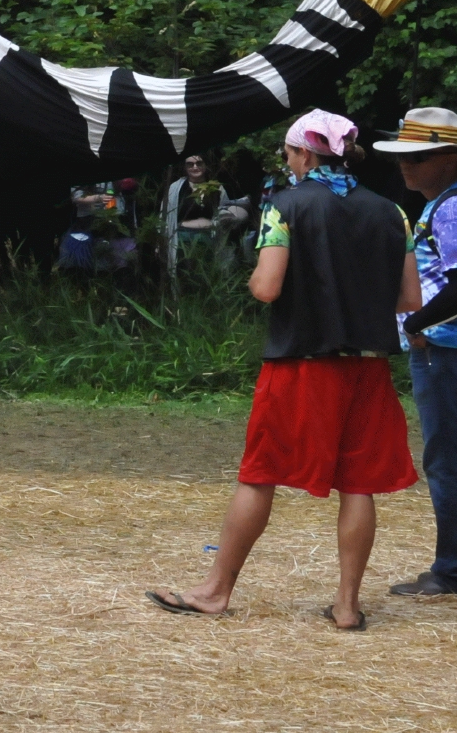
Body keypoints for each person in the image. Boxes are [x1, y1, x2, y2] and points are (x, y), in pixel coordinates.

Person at [146, 111, 421, 628]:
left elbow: (268, 287)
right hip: (368, 370)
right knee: (357, 483)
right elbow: (410, 299)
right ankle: (346, 605)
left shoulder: (285, 206)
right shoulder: (392, 214)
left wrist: (256, 276)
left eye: (290, 154)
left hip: (301, 366)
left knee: (259, 474)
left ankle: (214, 591)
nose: (288, 164)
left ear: (307, 154)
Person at [373, 108, 457, 598]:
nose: (408, 166)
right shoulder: (454, 204)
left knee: (449, 461)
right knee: (455, 458)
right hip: (453, 347)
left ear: (450, 158)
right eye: (405, 156)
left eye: (420, 156)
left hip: (449, 349)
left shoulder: (454, 209)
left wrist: (418, 323)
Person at [163, 154, 250, 272]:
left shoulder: (216, 188)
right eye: (190, 164)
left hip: (210, 240)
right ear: (185, 167)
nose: (195, 167)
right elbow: (165, 215)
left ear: (205, 165)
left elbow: (224, 211)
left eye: (199, 163)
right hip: (182, 241)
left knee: (206, 275)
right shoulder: (175, 189)